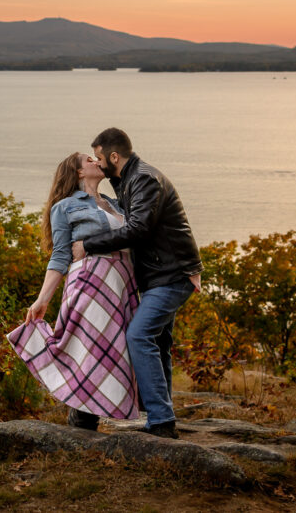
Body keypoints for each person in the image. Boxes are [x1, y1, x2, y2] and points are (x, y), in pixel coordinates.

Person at [73, 127, 201, 439]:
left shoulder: (143, 179)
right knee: (159, 343)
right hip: (162, 276)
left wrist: (88, 245)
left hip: (171, 276)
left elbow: (138, 229)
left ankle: (161, 420)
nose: (98, 163)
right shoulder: (128, 181)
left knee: (139, 335)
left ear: (114, 156)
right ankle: (162, 414)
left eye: (100, 157)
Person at [6, 151, 140, 430]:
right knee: (87, 350)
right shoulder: (65, 207)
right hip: (89, 283)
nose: (97, 161)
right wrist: (42, 299)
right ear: (79, 172)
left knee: (116, 350)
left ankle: (92, 419)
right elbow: (60, 256)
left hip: (120, 285)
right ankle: (81, 426)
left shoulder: (117, 203)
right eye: (89, 160)